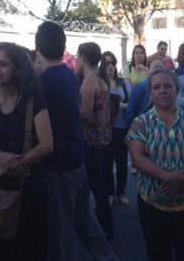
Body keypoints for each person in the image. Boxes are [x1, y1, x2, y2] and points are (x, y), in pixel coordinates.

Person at [36, 21, 119, 261]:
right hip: (75, 155)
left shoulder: (45, 82)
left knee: (61, 227)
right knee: (85, 222)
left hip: (58, 162)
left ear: (38, 47)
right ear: (64, 47)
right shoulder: (70, 76)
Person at [0, 42, 53, 260]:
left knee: (29, 249)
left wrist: (7, 167)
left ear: (18, 68)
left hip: (28, 189)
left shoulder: (33, 100)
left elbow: (47, 145)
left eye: (3, 64)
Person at [126, 69, 184, 261]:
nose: (162, 90)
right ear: (150, 93)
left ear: (177, 89)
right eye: (156, 87)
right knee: (158, 254)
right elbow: (137, 159)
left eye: (167, 86)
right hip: (152, 204)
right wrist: (170, 178)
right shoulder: (141, 123)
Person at [77, 42, 114, 240]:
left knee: (95, 186)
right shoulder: (101, 80)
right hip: (103, 139)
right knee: (101, 185)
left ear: (83, 57)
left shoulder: (89, 82)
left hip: (91, 141)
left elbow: (84, 112)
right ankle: (107, 225)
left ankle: (102, 228)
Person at [101, 50, 132, 205]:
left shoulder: (123, 83)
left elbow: (132, 104)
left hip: (121, 127)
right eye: (107, 63)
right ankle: (110, 193)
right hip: (105, 127)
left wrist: (121, 105)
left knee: (121, 162)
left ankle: (121, 192)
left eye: (113, 63)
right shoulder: (100, 83)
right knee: (107, 162)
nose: (111, 67)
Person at [125, 57, 165, 175]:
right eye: (155, 67)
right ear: (148, 70)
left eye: (160, 67)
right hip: (144, 130)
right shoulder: (141, 87)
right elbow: (131, 110)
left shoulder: (168, 86)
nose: (158, 69)